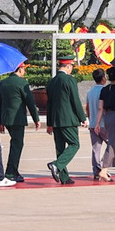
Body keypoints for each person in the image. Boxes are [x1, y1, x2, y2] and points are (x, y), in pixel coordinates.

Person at [45, 56, 86, 184]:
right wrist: (83, 117)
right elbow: (75, 100)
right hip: (68, 119)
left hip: (56, 120)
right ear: (68, 66)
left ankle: (64, 177)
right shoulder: (69, 80)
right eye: (71, 66)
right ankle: (56, 165)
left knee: (60, 148)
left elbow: (49, 104)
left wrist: (49, 123)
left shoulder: (52, 82)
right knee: (74, 144)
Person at [0, 61, 40, 183]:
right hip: (17, 119)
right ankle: (10, 173)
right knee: (17, 145)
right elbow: (30, 102)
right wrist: (36, 118)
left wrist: (0, 121)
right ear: (20, 69)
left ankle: (14, 170)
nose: (24, 71)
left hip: (6, 119)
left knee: (16, 143)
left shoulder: (3, 83)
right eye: (24, 68)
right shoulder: (22, 83)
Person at [96, 67, 115, 178]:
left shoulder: (104, 90)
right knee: (113, 142)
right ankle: (104, 169)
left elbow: (100, 108)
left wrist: (97, 123)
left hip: (107, 117)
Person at [85, 69, 107, 179]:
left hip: (93, 124)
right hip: (104, 124)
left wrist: (91, 120)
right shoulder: (105, 91)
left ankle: (96, 171)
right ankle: (102, 166)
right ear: (103, 78)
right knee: (113, 146)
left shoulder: (90, 92)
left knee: (95, 149)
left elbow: (87, 108)